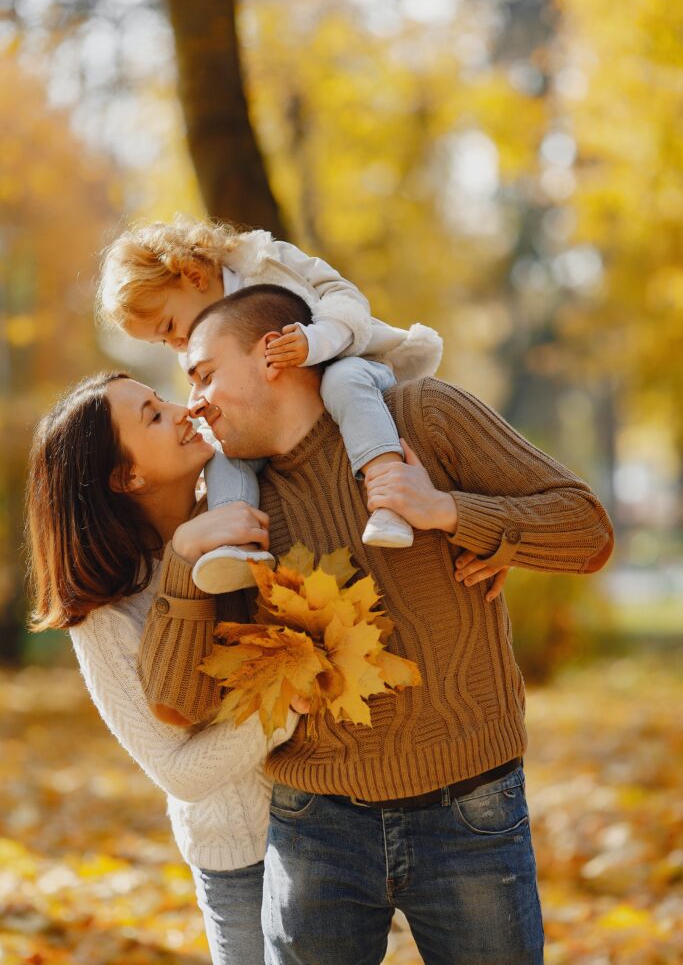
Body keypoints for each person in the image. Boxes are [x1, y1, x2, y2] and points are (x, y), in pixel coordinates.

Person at [140, 284, 615, 965]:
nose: (194, 401)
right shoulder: (229, 513)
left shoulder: (420, 418)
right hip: (313, 825)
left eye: (206, 374)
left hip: (469, 808)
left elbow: (587, 531)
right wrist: (187, 560)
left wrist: (449, 512)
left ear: (275, 354)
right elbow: (177, 704)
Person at [24, 371, 303, 965]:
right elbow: (180, 773)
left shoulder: (244, 508)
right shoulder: (104, 616)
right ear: (127, 476)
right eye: (153, 415)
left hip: (332, 821)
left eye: (161, 398)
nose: (182, 410)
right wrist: (286, 703)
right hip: (242, 860)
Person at [97, 216, 444, 594]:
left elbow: (345, 297)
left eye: (167, 327)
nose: (176, 345)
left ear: (194, 278)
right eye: (161, 343)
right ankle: (236, 542)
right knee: (223, 448)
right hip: (290, 424)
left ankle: (390, 499)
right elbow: (216, 400)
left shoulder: (265, 261)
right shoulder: (195, 344)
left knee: (341, 381)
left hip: (351, 365)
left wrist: (316, 340)